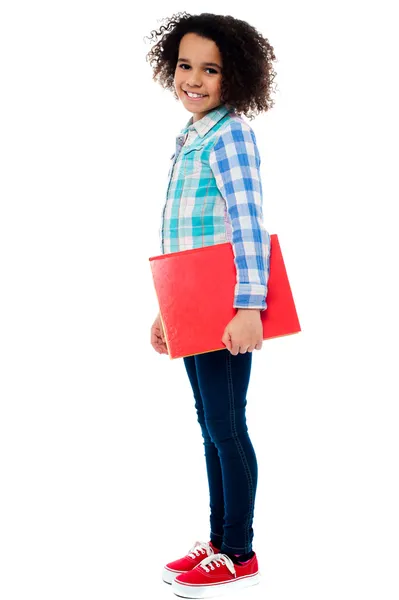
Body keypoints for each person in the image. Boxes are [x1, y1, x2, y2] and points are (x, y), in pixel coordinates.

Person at [145, 11, 277, 598]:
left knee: (227, 426)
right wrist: (165, 309)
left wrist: (249, 306)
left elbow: (247, 225)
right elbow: (185, 235)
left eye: (211, 69)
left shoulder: (231, 135)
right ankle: (220, 539)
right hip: (193, 305)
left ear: (236, 77)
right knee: (210, 425)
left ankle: (239, 551)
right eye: (184, 66)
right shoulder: (191, 135)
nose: (193, 79)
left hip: (227, 310)